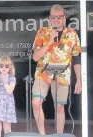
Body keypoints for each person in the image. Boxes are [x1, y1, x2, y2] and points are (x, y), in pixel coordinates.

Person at [31, 4, 82, 135]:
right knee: (36, 102)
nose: (56, 20)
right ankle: (42, 134)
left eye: (59, 17)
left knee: (59, 106)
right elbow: (35, 57)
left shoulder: (72, 34)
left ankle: (59, 135)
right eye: (53, 17)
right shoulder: (42, 32)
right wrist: (48, 42)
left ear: (64, 18)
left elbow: (76, 58)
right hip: (43, 73)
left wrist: (79, 80)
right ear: (49, 18)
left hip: (62, 74)